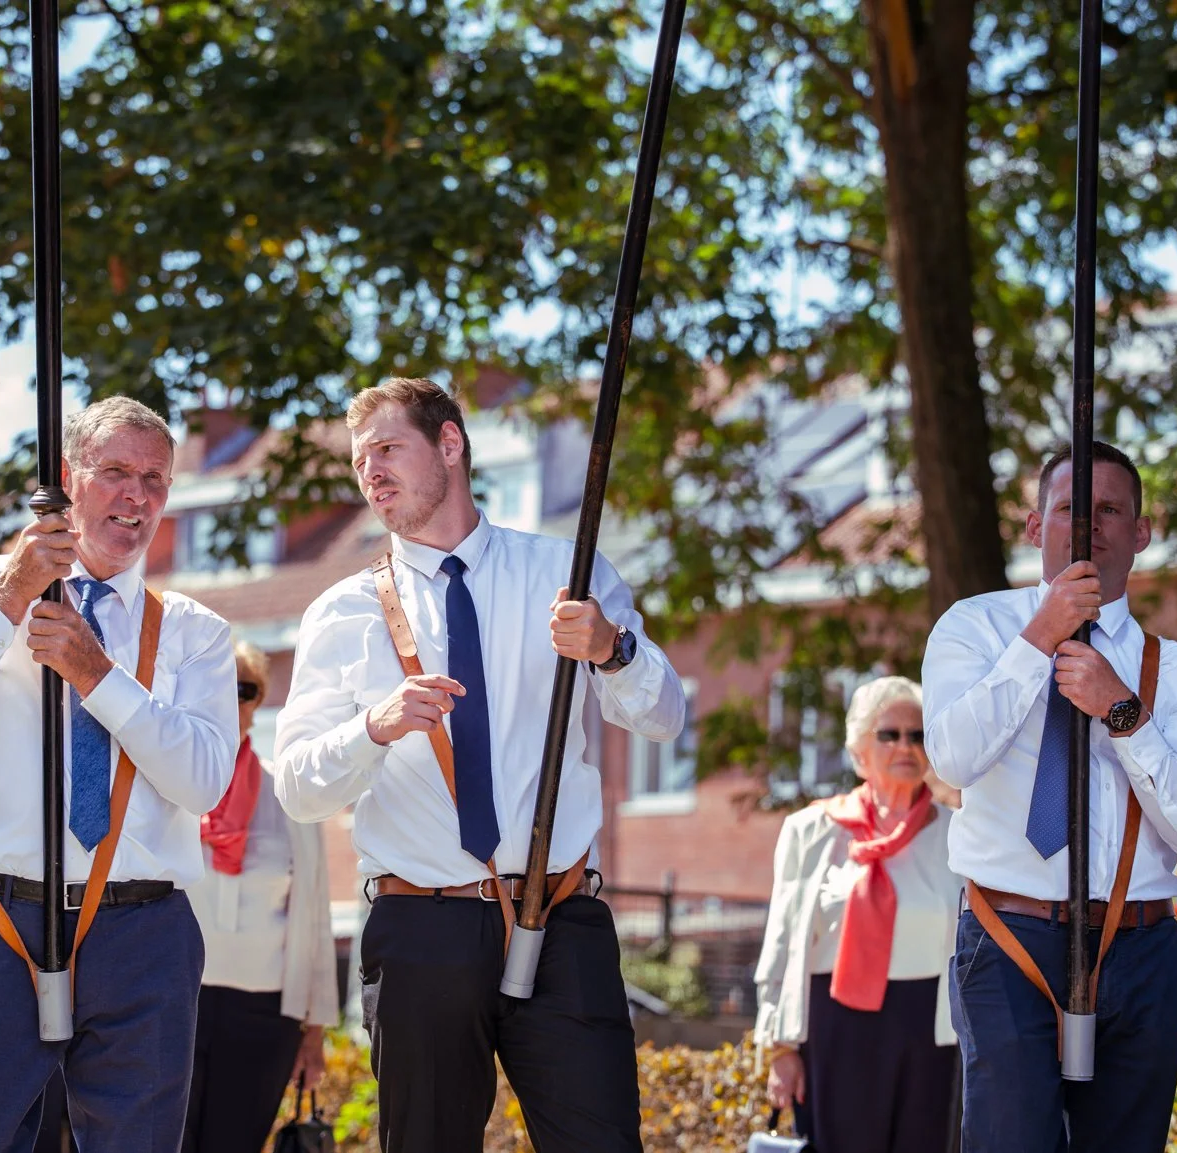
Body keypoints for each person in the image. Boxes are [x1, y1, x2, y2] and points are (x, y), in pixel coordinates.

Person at [275, 377, 685, 1153]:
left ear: (451, 444)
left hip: (559, 912)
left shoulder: (567, 572)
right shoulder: (342, 612)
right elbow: (297, 786)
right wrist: (375, 725)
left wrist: (613, 650)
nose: (373, 472)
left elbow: (663, 716)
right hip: (418, 927)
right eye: (361, 461)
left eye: (389, 448)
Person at [0, 396, 236, 1152]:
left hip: (142, 931)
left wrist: (97, 674)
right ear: (67, 477)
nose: (136, 495)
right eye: (115, 471)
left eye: (155, 478)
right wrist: (9, 598)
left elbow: (205, 782)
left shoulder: (194, 631)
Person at [922, 440, 1177, 1153]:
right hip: (1010, 936)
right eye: (1069, 508)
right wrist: (1039, 639)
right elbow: (954, 757)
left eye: (1111, 510)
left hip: (1140, 942)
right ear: (1035, 526)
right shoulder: (975, 628)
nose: (1088, 524)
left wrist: (1123, 710)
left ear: (1141, 533)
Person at [754, 675, 960, 1153]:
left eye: (918, 734)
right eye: (889, 734)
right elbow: (782, 944)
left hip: (930, 1029)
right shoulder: (810, 830)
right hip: (833, 1029)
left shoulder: (960, 836)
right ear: (859, 749)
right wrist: (782, 1049)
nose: (906, 745)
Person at [181, 640, 339, 1153]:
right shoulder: (166, 787)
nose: (230, 701)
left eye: (244, 690)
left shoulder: (289, 795)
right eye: (216, 687)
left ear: (260, 701)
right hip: (172, 1004)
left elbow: (313, 917)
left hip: (266, 1018)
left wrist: (313, 1033)